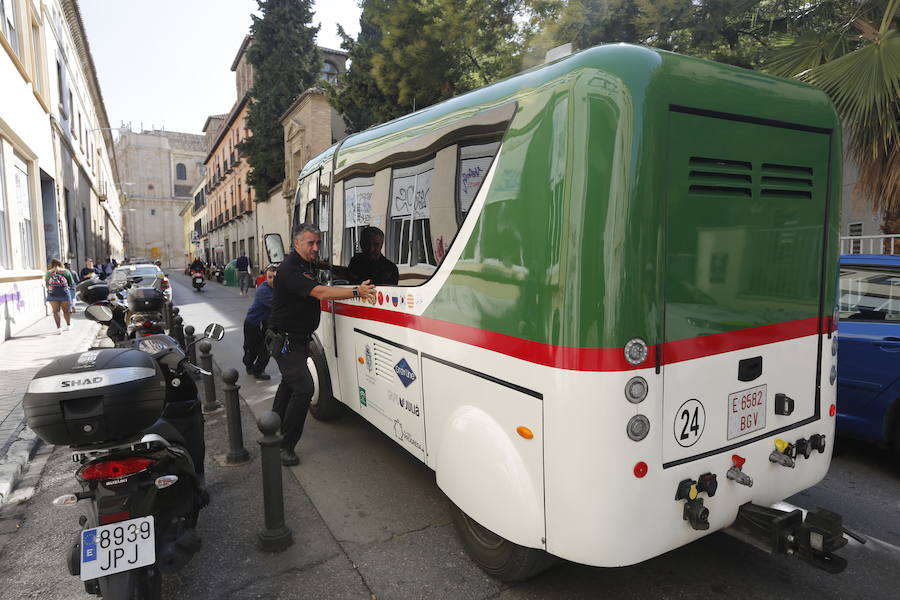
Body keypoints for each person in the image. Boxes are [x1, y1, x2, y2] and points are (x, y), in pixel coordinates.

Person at [268, 224, 377, 465]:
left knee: (289, 383)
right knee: (304, 388)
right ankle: (285, 446)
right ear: (297, 244)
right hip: (285, 340)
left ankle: (272, 424)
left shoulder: (307, 263)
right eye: (311, 243)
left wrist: (352, 272)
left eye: (318, 242)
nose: (316, 248)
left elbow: (326, 268)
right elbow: (321, 292)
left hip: (299, 338)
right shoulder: (289, 269)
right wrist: (357, 291)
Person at [243, 265, 276, 381]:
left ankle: (252, 366)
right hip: (253, 323)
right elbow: (277, 305)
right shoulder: (264, 291)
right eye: (270, 277)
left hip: (261, 323)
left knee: (261, 348)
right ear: (266, 277)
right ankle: (256, 370)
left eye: (274, 277)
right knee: (262, 349)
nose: (272, 280)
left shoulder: (273, 289)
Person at [45, 259, 75, 334]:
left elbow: (47, 285)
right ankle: (68, 325)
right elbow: (71, 283)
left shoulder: (49, 273)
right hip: (64, 294)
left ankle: (59, 328)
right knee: (66, 311)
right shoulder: (66, 271)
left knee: (56, 311)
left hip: (52, 294)